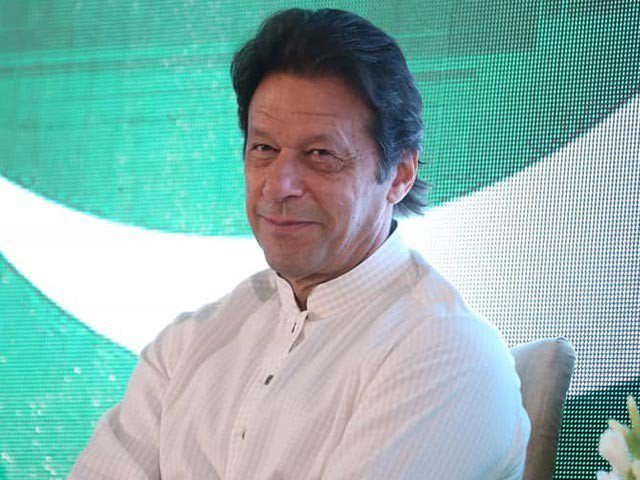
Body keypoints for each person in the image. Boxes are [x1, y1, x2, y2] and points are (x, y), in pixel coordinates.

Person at [70, 8, 530, 479]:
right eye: (264, 149)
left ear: (399, 176)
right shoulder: (190, 342)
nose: (278, 185)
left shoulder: (444, 352)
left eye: (320, 154)